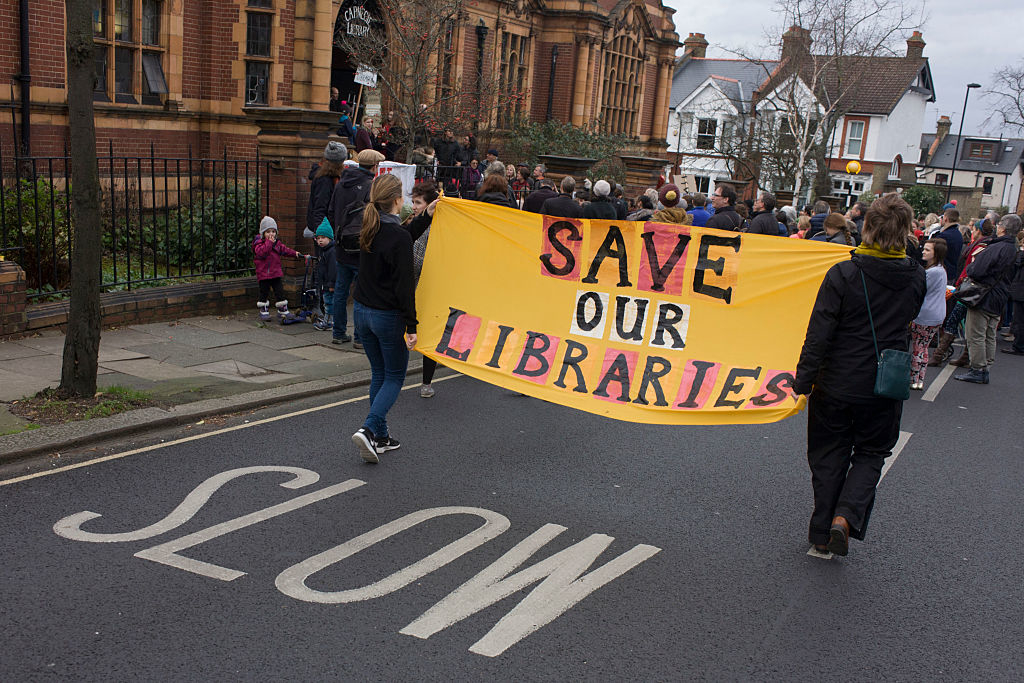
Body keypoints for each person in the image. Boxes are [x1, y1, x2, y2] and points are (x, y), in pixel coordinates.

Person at [794, 193, 926, 556]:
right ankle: (846, 517)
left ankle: (822, 529)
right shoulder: (916, 276)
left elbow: (819, 332)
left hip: (836, 380)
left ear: (867, 227)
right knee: (872, 453)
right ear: (906, 231)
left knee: (828, 454)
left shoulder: (843, 273)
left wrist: (803, 380)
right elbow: (912, 317)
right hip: (885, 383)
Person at [350, 173, 418, 463]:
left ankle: (380, 436)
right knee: (393, 377)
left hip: (362, 313)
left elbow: (403, 235)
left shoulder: (370, 226)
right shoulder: (397, 236)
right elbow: (404, 286)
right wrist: (412, 325)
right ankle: (368, 428)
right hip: (386, 317)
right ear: (396, 200)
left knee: (379, 373)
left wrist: (425, 215)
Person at [954, 214, 1023, 384]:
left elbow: (975, 270)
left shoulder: (997, 247)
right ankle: (985, 367)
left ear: (1003, 228)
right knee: (989, 334)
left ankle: (977, 368)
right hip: (999, 295)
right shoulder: (1013, 248)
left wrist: (971, 268)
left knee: (976, 334)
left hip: (984, 295)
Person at [328, 148, 385, 347]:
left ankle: (338, 333)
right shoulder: (372, 186)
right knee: (361, 295)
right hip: (362, 248)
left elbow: (331, 211)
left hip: (342, 247)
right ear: (375, 166)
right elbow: (376, 218)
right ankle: (360, 338)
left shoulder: (341, 183)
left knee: (341, 292)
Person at [406, 181, 441, 397]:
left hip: (428, 290)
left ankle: (426, 383)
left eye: (418, 202)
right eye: (412, 202)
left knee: (429, 336)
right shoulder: (411, 222)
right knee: (407, 334)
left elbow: (416, 261)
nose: (414, 206)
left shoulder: (431, 228)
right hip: (411, 290)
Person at [909, 238, 948, 389]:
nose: (923, 252)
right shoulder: (941, 270)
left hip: (925, 314)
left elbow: (919, 290)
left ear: (936, 253)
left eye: (927, 250)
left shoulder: (931, 272)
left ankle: (915, 379)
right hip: (937, 313)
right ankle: (919, 379)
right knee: (923, 348)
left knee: (918, 347)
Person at [253, 216, 306, 322]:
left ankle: (282, 309)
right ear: (263, 233)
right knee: (264, 292)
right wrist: (269, 243)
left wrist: (295, 253)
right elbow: (262, 253)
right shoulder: (259, 244)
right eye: (268, 232)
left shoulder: (277, 244)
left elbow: (285, 250)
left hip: (275, 272)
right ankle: (263, 310)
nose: (271, 234)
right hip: (264, 274)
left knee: (279, 291)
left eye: (273, 231)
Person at [312, 218, 338, 331]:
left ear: (330, 238)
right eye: (318, 238)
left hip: (329, 283)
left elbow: (333, 269)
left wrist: (331, 284)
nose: (320, 241)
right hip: (325, 283)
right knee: (327, 302)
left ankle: (329, 322)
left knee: (329, 303)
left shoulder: (331, 252)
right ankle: (329, 320)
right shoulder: (324, 251)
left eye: (323, 238)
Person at [935, 208, 965, 283]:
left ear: (946, 218)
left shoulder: (944, 236)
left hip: (942, 273)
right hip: (952, 272)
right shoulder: (958, 235)